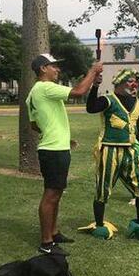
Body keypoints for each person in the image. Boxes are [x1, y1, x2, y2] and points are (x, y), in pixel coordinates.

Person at [26, 53, 103, 255]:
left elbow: (35, 124)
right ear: (43, 68)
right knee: (51, 194)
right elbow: (78, 91)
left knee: (56, 192)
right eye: (53, 66)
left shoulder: (33, 93)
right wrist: (93, 70)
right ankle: (46, 242)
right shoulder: (45, 87)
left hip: (54, 146)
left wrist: (59, 135)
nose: (57, 69)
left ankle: (54, 232)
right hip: (53, 150)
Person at [78, 69, 139, 241]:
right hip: (109, 150)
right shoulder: (108, 100)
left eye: (135, 80)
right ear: (120, 83)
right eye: (130, 81)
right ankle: (99, 224)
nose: (134, 84)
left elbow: (136, 129)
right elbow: (91, 107)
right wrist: (95, 85)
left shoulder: (137, 104)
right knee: (103, 189)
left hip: (130, 151)